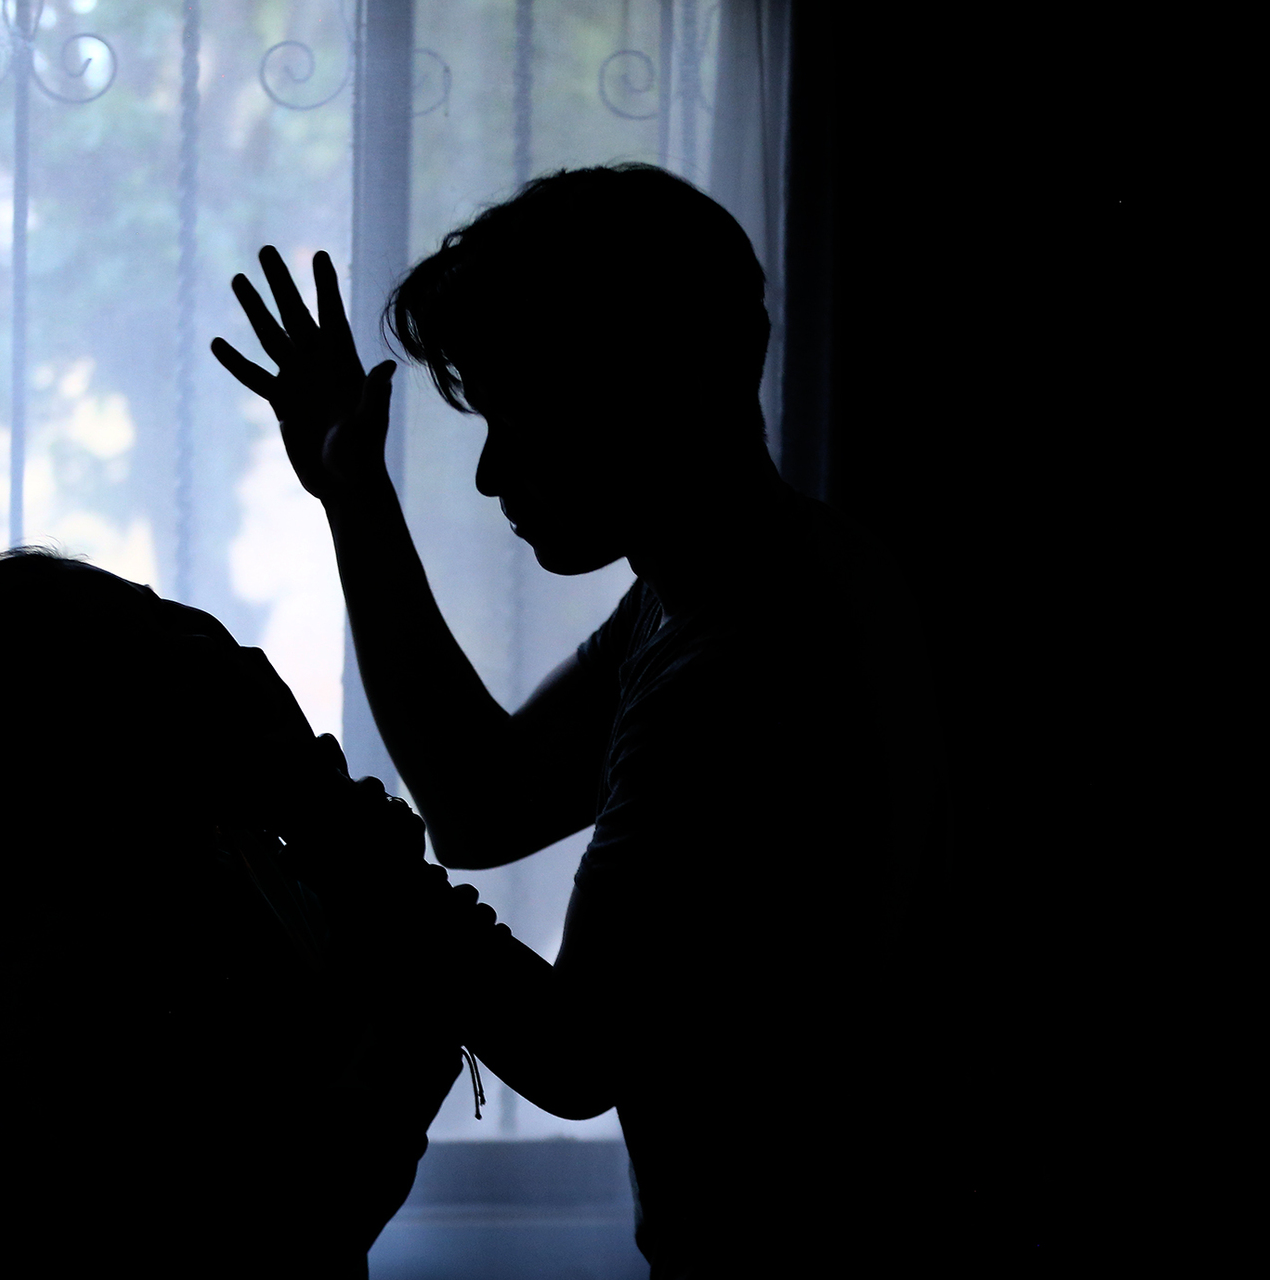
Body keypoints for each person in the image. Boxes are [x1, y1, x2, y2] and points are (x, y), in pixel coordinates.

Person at [212, 163, 949, 1272]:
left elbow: (574, 1055)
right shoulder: (721, 590)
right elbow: (484, 804)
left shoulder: (747, 660)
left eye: (521, 417)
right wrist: (351, 490)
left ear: (649, 390)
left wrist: (331, 829)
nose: (491, 472)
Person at [0, 548, 483, 1278]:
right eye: (167, 634)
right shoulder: (72, 982)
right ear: (93, 737)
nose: (230, 653)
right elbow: (283, 1235)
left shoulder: (174, 902)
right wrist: (409, 1014)